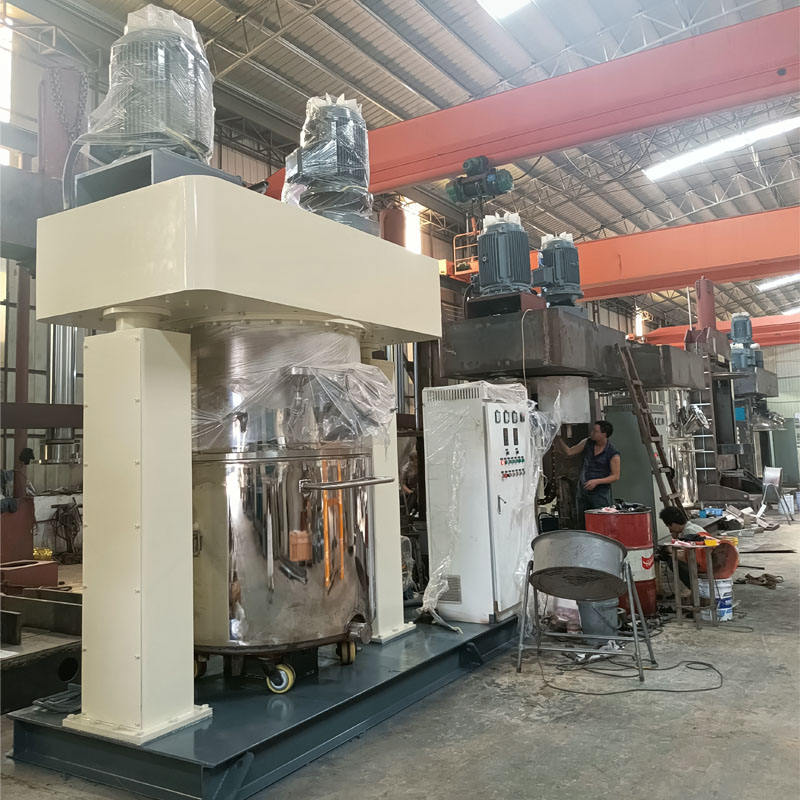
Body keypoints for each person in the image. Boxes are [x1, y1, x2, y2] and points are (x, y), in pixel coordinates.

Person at [557, 420, 620, 526]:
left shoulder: (613, 453)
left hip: (600, 494)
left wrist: (597, 481)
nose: (592, 433)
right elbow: (569, 452)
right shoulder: (587, 442)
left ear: (604, 434)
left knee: (601, 521)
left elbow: (615, 476)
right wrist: (557, 438)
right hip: (583, 490)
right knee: (582, 521)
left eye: (595, 431)